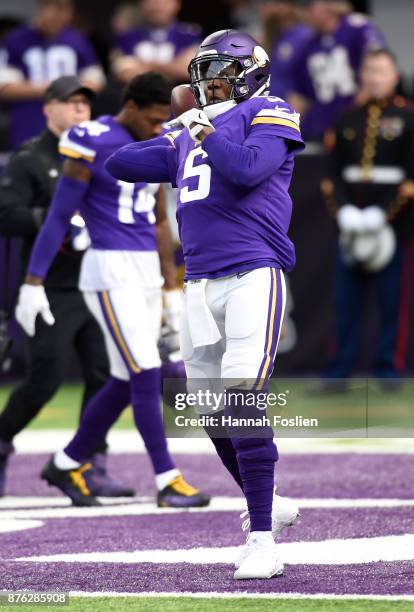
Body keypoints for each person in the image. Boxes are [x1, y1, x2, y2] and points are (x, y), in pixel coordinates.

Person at [106, 30, 303, 580]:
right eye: (204, 74)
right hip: (199, 284)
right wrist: (174, 133)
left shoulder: (270, 110)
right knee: (212, 411)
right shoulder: (191, 131)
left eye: (221, 73)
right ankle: (269, 502)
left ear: (250, 73)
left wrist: (198, 127)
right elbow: (120, 162)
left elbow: (245, 170)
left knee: (242, 396)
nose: (209, 84)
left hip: (251, 273)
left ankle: (262, 537)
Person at [14, 72, 210, 509]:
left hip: (143, 269)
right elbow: (59, 215)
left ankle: (66, 463)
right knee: (145, 371)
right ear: (132, 107)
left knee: (126, 378)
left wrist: (170, 286)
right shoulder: (93, 138)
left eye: (167, 121)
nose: (160, 128)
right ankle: (166, 478)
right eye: (155, 119)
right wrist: (33, 281)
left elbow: (160, 219)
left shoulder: (164, 139)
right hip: (109, 268)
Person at [0, 76, 131, 499]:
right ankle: (1, 442)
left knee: (105, 374)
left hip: (96, 280)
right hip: (50, 287)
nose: (78, 110)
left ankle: (90, 460)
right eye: (69, 102)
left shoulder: (100, 151)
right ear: (48, 108)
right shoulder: (29, 159)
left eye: (84, 103)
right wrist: (53, 222)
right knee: (46, 377)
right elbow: (7, 214)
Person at [318, 48, 414, 388]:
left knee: (393, 305)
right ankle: (338, 371)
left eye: (381, 71)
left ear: (394, 77)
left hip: (395, 227)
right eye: (369, 70)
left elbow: (409, 180)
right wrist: (343, 211)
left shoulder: (408, 118)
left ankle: (389, 370)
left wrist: (383, 215)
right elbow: (332, 176)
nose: (374, 77)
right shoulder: (347, 118)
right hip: (350, 227)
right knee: (345, 304)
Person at [0, 0, 105, 149]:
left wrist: (66, 92)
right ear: (40, 9)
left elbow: (96, 82)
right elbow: (5, 88)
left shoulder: (78, 40)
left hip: (71, 123)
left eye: (60, 9)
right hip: (29, 121)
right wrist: (56, 89)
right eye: (49, 8)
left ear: (70, 13)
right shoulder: (17, 39)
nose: (53, 15)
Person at [288, 0, 385, 140]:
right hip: (320, 129)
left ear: (327, 6)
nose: (303, 13)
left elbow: (376, 72)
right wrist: (287, 129)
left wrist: (349, 119)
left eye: (308, 7)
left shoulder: (358, 28)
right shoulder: (307, 44)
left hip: (357, 128)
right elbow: (299, 95)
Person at [111, 0, 201, 85]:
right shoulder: (127, 37)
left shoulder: (190, 35)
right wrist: (173, 68)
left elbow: (190, 70)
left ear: (177, 3)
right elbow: (124, 73)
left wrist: (142, 66)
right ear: (141, 3)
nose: (158, 4)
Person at [261, 0, 312, 100]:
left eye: (270, 4)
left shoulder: (304, 36)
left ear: (286, 7)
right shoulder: (271, 38)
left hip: (292, 107)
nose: (264, 8)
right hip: (268, 106)